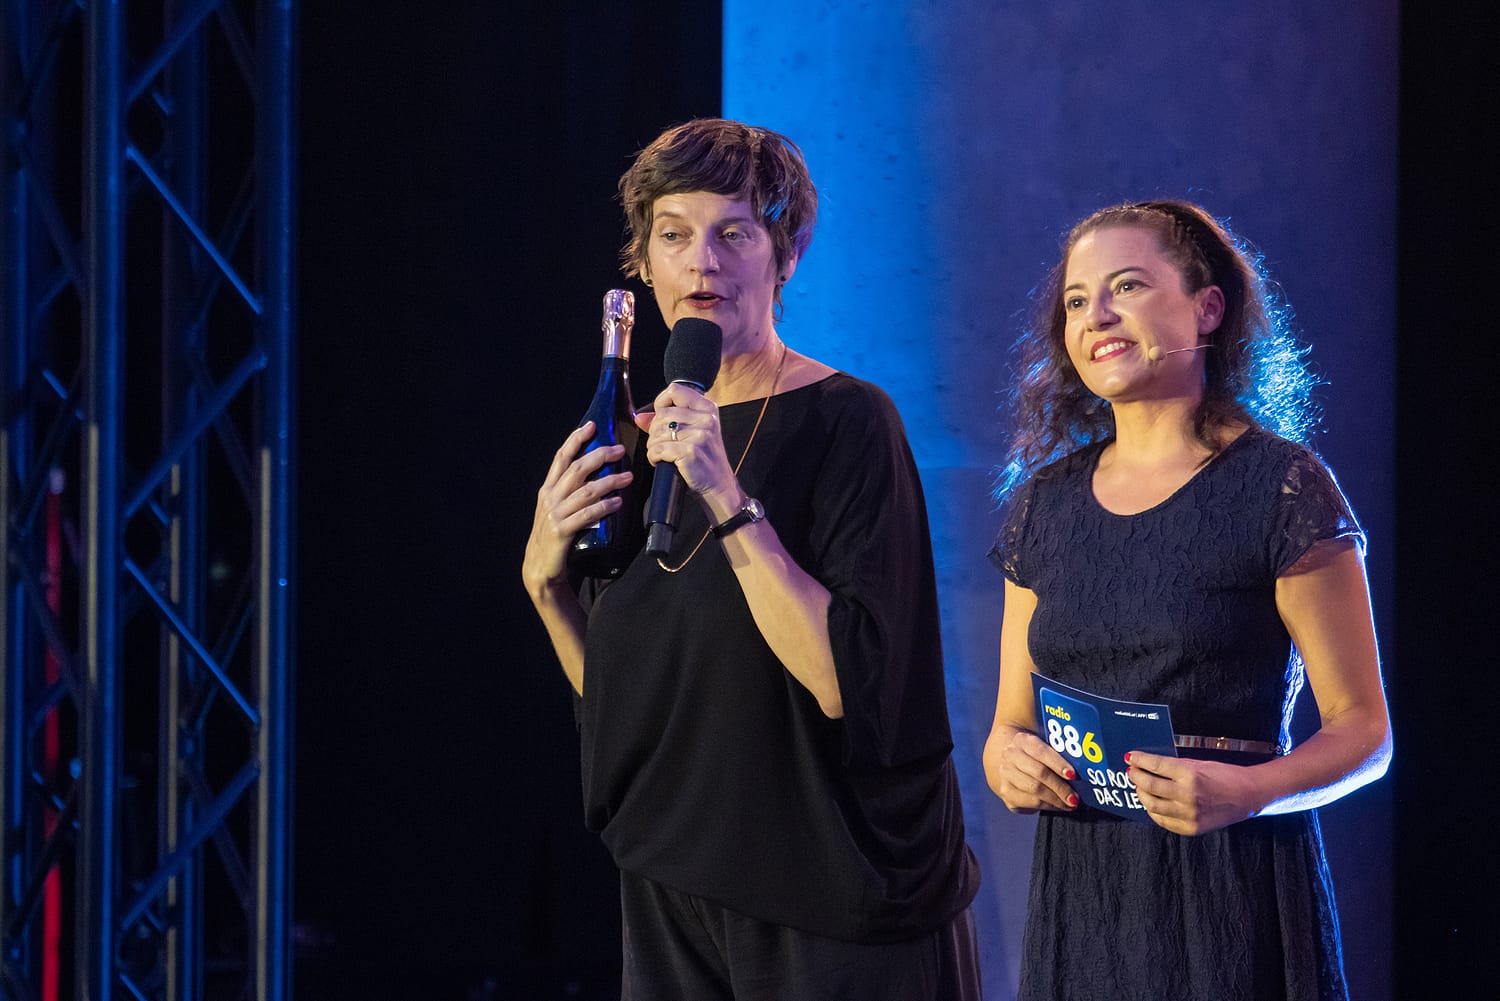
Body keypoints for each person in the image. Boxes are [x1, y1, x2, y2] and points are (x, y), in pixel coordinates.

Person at [522, 118, 982, 1000]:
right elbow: (630, 703)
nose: (702, 262)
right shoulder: (638, 442)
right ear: (643, 263)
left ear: (786, 256)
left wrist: (727, 497)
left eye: (734, 233)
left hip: (834, 896)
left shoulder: (849, 421)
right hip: (675, 882)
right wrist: (545, 584)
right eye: (673, 235)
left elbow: (848, 685)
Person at [982, 200, 1391, 1001]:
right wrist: (1007, 762)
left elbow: (1366, 732)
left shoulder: (1281, 486)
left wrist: (1250, 790)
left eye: (1128, 286)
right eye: (1076, 300)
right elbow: (1009, 725)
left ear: (1208, 308)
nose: (1097, 315)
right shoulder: (1043, 504)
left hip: (1230, 887)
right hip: (1085, 895)